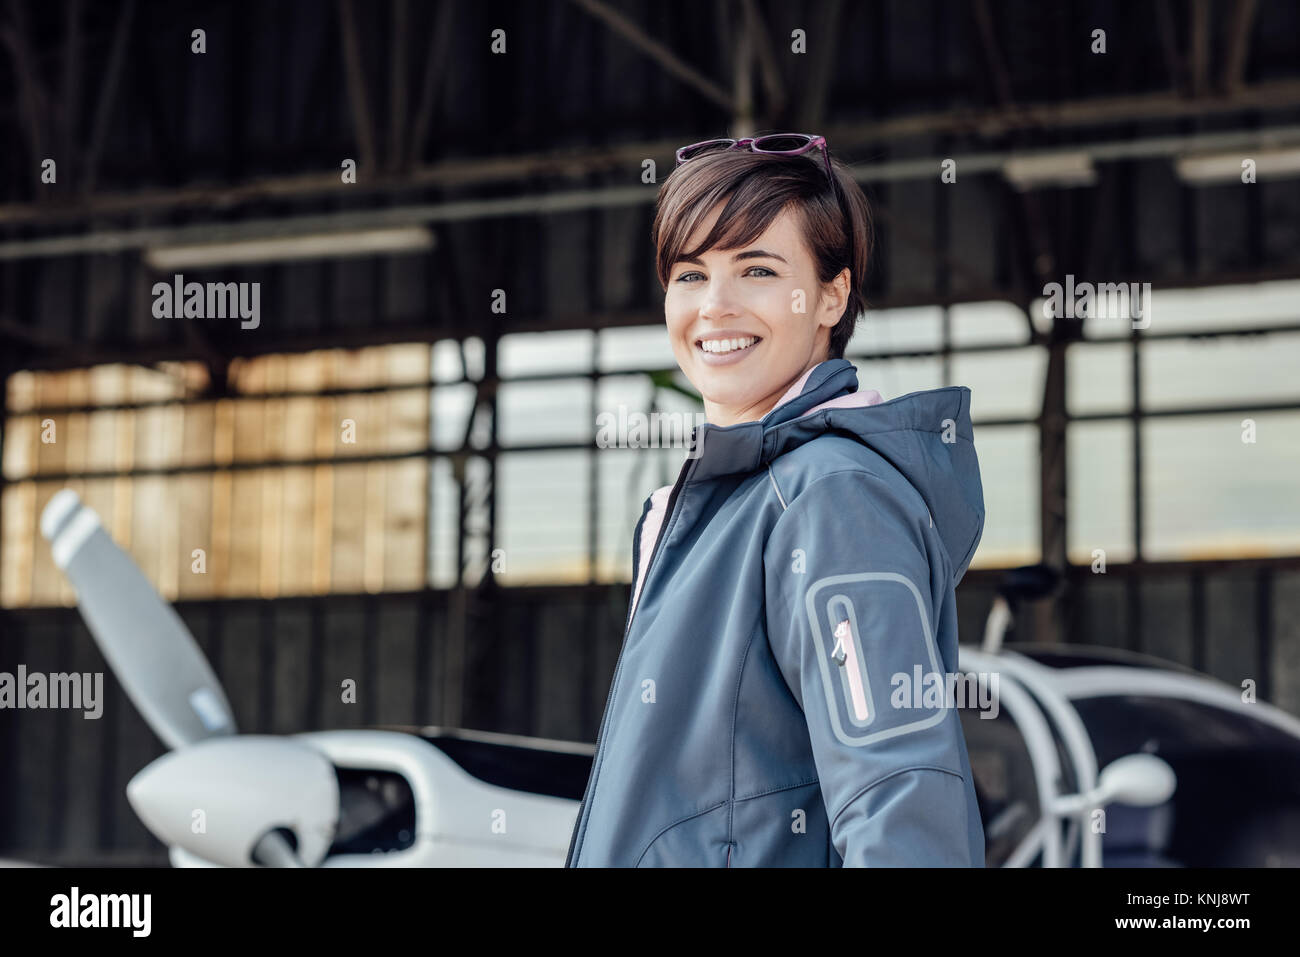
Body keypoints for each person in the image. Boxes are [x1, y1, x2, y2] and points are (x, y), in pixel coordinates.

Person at [564, 133, 987, 867]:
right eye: (691, 274)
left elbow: (904, 805)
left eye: (757, 269)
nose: (715, 307)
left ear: (832, 294)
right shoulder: (711, 507)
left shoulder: (829, 497)